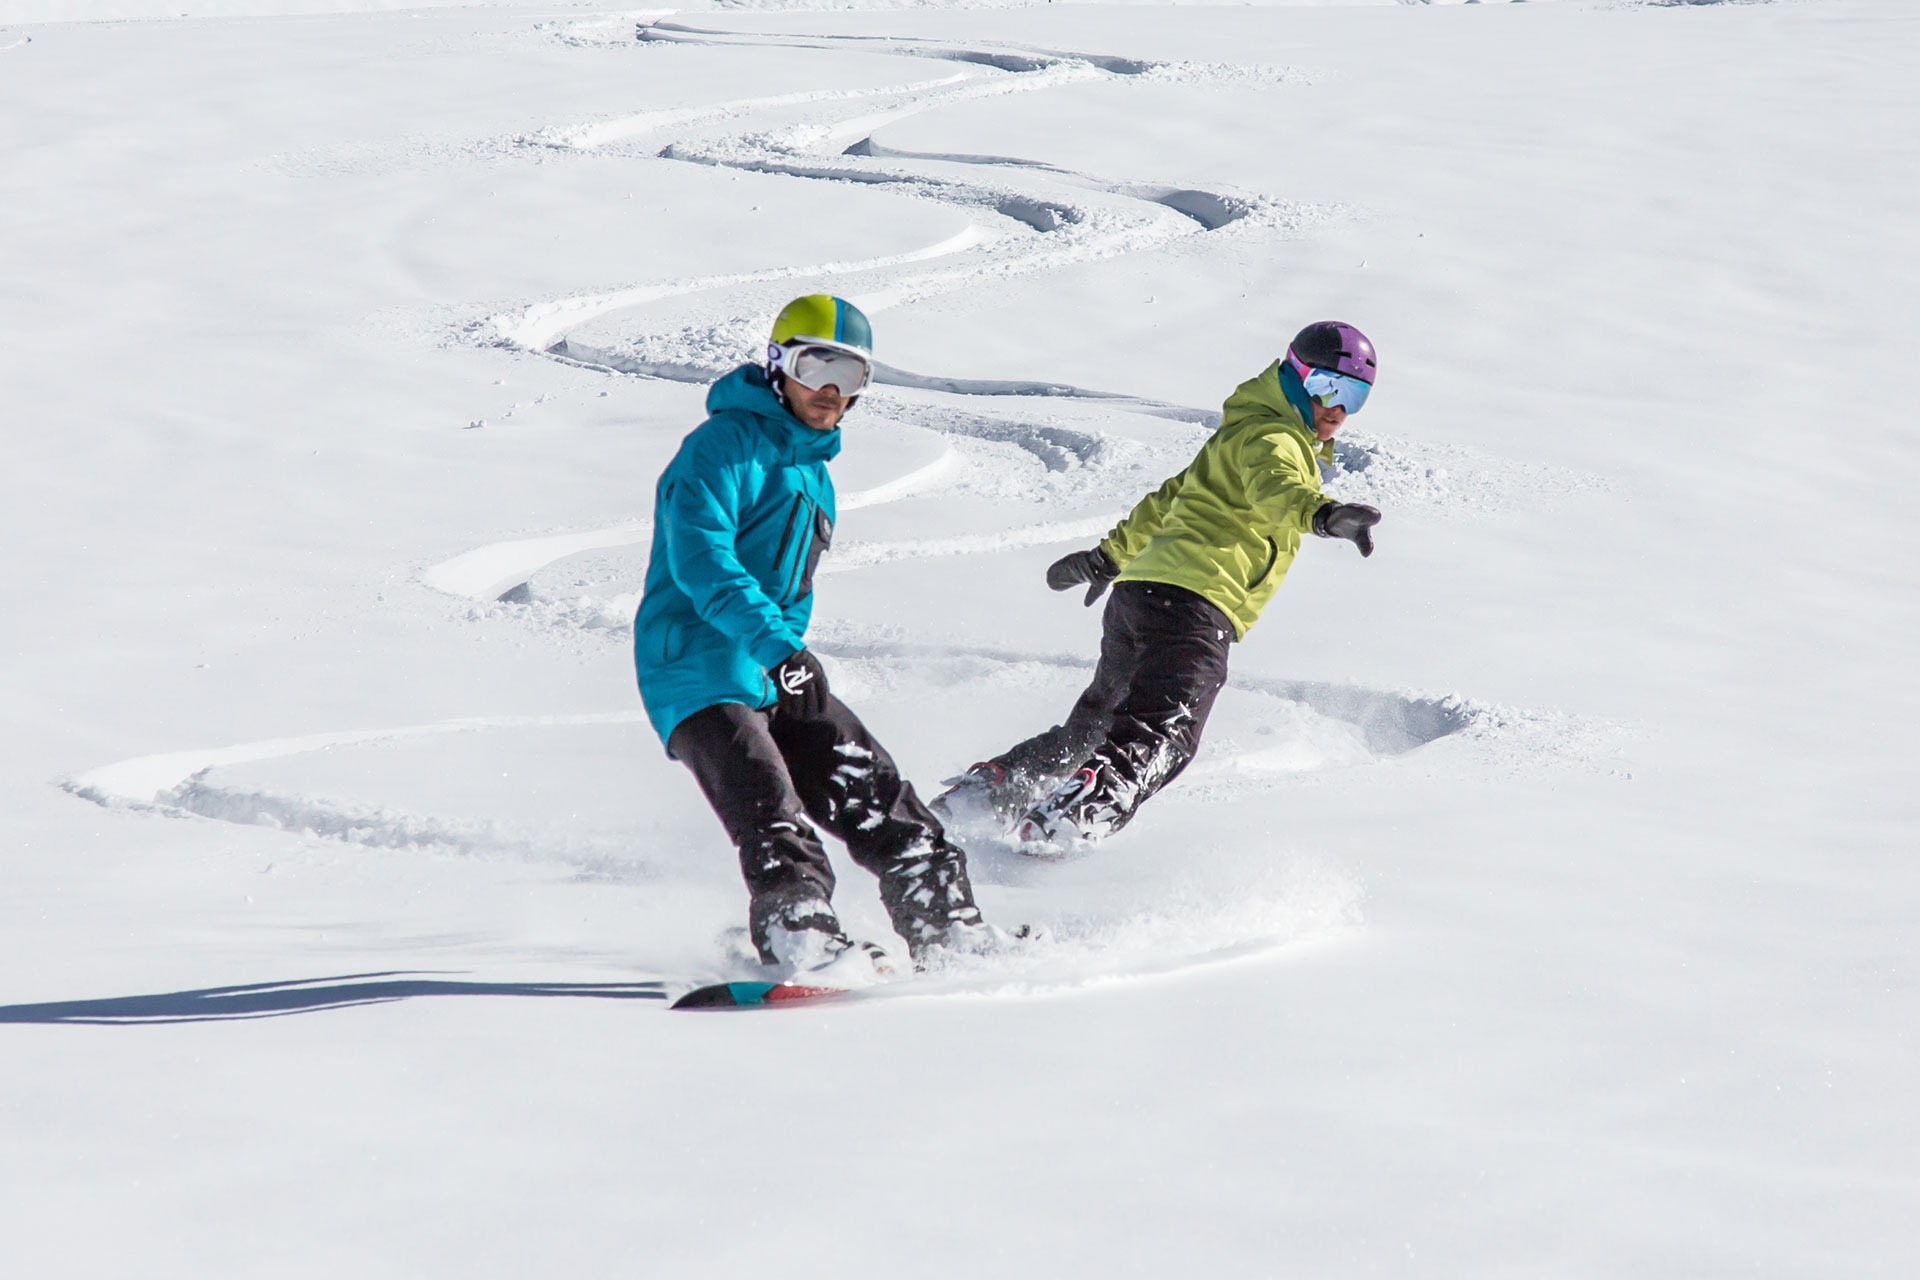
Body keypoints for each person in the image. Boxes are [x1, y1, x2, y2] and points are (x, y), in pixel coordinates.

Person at [634, 294, 992, 975]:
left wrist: (783, 660)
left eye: (850, 377)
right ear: (777, 366)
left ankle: (950, 932)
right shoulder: (721, 446)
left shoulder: (814, 475)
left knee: (878, 791)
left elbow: (788, 596)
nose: (830, 391)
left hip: (772, 669)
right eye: (815, 366)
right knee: (771, 808)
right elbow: (703, 561)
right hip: (698, 670)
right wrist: (779, 651)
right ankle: (802, 937)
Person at [933, 320, 1385, 847]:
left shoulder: (1238, 434)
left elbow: (1166, 503)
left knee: (1095, 732)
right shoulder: (1273, 440)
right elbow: (1277, 492)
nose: (1338, 408)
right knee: (1164, 732)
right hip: (1197, 605)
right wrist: (1323, 514)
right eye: (1327, 387)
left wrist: (1106, 559)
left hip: (1139, 597)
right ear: (1294, 376)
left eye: (1354, 395)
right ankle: (1070, 821)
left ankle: (990, 793)